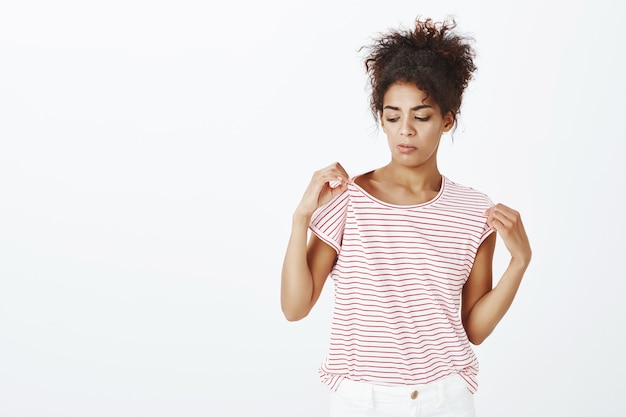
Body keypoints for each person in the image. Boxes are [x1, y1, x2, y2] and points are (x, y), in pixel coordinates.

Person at [281, 17, 531, 417]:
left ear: (447, 120)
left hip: (445, 399)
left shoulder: (473, 211)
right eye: (393, 116)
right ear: (381, 118)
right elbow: (295, 308)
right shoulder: (348, 199)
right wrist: (300, 220)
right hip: (362, 401)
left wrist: (519, 262)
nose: (406, 131)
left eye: (422, 115)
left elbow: (474, 330)